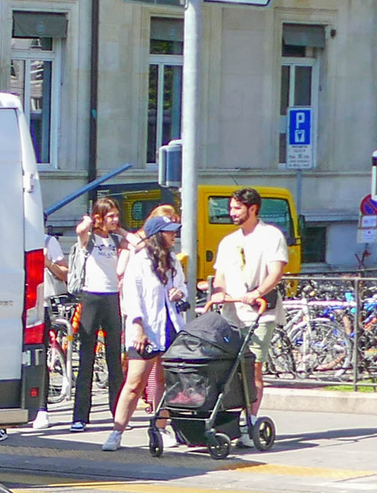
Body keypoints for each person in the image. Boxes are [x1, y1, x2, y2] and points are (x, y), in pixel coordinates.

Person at [109, 213, 190, 450]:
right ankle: (117, 432)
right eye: (169, 231)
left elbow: (182, 286)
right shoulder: (139, 261)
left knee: (165, 381)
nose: (174, 235)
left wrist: (179, 293)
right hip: (145, 328)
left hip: (170, 326)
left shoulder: (172, 260)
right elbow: (132, 298)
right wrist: (138, 327)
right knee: (135, 382)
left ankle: (161, 427)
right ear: (157, 235)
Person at [210, 187, 289, 413]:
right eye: (231, 208)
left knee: (253, 367)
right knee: (228, 367)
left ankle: (251, 419)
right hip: (231, 313)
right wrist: (218, 291)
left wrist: (258, 292)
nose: (232, 213)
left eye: (237, 208)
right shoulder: (228, 241)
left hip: (260, 312)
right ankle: (230, 416)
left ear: (252, 209)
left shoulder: (271, 235)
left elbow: (276, 271)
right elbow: (220, 275)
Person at [64, 196, 129, 432]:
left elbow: (137, 243)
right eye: (111, 216)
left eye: (117, 215)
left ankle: (118, 413)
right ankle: (80, 416)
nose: (115, 219)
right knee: (86, 359)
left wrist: (119, 228)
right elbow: (80, 230)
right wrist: (92, 220)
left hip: (112, 298)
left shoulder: (116, 239)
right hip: (91, 297)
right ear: (99, 218)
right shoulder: (89, 239)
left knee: (114, 358)